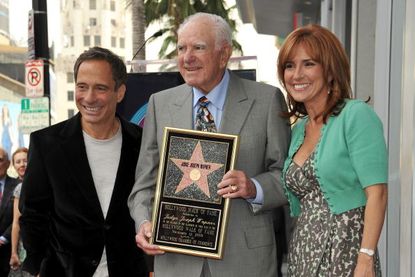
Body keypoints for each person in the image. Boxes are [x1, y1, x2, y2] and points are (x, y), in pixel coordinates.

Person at [128, 12, 291, 277]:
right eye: (181, 48)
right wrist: (144, 222)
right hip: (177, 262)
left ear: (223, 54)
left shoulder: (266, 100)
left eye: (198, 48)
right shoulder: (160, 104)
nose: (187, 57)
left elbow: (287, 177)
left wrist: (254, 187)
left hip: (246, 260)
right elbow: (144, 185)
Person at [19, 47, 148, 277]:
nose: (89, 97)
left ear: (120, 92)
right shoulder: (46, 144)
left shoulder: (143, 143)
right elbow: (33, 214)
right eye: (82, 87)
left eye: (100, 88)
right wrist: (38, 265)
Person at [277, 24, 388, 277]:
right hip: (303, 253)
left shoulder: (356, 115)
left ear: (330, 70)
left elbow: (378, 193)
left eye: (309, 64)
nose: (296, 74)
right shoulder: (299, 129)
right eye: (289, 66)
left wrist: (366, 259)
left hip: (345, 252)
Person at [9, 148, 31, 277]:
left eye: (26, 160)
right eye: (18, 161)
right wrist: (14, 252)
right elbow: (16, 223)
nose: (22, 164)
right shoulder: (19, 188)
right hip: (24, 249)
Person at [0, 147, 19, 277]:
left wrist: (3, 238)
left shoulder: (18, 186)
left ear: (8, 163)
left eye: (0, 160)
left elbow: (18, 218)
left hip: (7, 253)